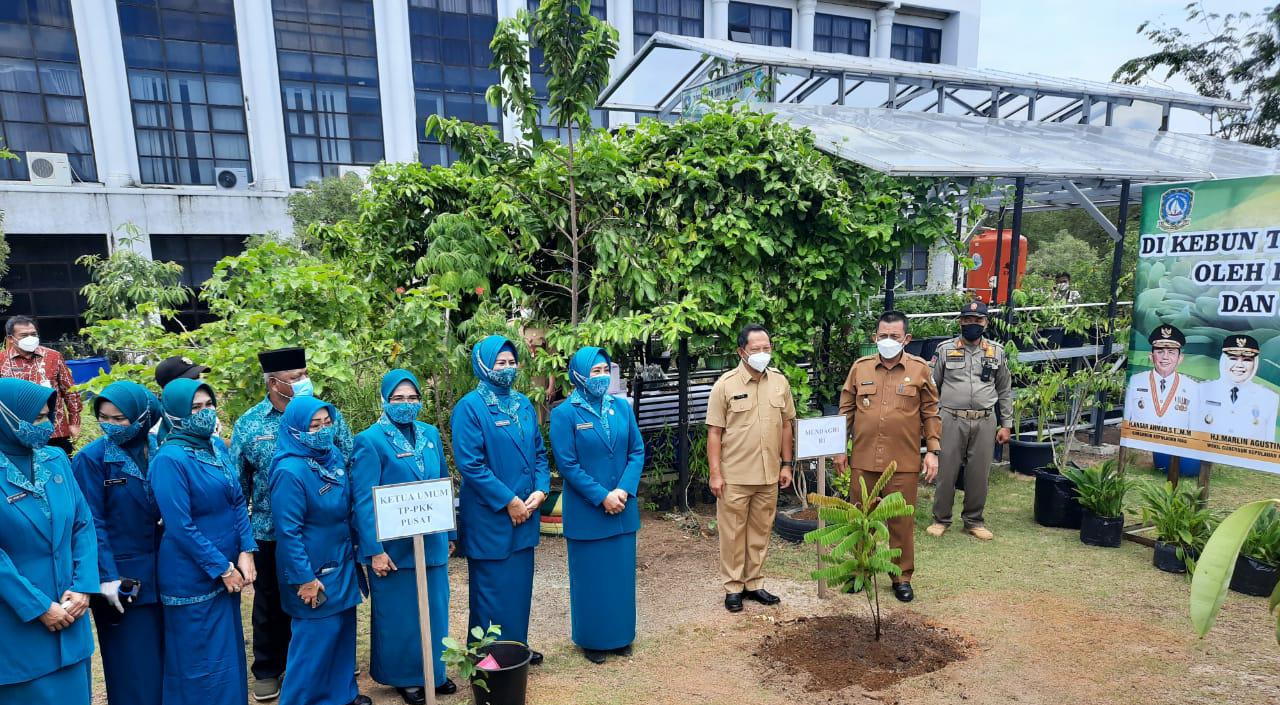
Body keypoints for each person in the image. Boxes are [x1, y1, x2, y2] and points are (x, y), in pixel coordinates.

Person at [229, 346, 354, 701]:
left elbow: (346, 456)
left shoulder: (324, 414)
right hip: (271, 529)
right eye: (295, 377)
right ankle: (269, 668)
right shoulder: (250, 423)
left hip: (326, 523)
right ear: (273, 383)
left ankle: (325, 669)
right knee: (270, 603)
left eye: (304, 374)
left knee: (324, 606)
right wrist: (243, 541)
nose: (303, 382)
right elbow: (239, 485)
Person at [351, 369, 457, 705]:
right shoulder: (370, 440)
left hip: (431, 539)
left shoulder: (429, 434)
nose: (406, 404)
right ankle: (406, 676)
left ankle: (433, 672)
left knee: (436, 609)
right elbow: (364, 499)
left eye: (413, 398)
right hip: (393, 549)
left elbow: (442, 481)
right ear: (384, 400)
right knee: (400, 615)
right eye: (398, 398)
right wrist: (374, 550)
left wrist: (451, 531)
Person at [152, 378, 256, 705]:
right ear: (174, 413)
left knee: (226, 656)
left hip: (228, 567)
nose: (205, 413)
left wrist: (246, 550)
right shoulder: (169, 459)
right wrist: (222, 568)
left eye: (209, 405)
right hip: (192, 577)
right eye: (195, 407)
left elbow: (237, 500)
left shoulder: (217, 447)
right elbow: (180, 526)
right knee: (200, 663)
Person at [452, 335, 550, 664]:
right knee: (491, 591)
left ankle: (516, 648)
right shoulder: (469, 408)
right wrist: (509, 500)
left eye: (511, 362)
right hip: (491, 516)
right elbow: (471, 465)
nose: (507, 369)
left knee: (519, 588)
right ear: (482, 365)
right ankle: (486, 657)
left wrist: (540, 489)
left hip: (527, 511)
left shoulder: (522, 403)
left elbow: (539, 452)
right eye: (500, 363)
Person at [0, 378, 97, 704]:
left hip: (71, 616)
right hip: (18, 627)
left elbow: (82, 524)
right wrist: (39, 606)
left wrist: (84, 585)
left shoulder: (54, 459)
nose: (46, 426)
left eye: (47, 415)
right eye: (37, 418)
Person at [269, 396, 370, 705]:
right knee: (314, 641)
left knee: (341, 632)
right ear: (296, 429)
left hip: (341, 559)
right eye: (314, 425)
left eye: (327, 423)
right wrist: (304, 579)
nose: (323, 430)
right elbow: (288, 532)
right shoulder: (289, 471)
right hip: (312, 569)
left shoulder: (333, 456)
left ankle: (342, 696)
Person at [835, 311, 941, 603]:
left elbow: (930, 412)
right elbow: (846, 411)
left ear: (907, 339)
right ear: (874, 337)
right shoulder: (860, 368)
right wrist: (838, 449)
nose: (888, 341)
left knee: (900, 521)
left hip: (903, 462)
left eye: (894, 336)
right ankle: (860, 571)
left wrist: (932, 451)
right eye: (883, 336)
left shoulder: (919, 370)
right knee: (860, 520)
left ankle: (901, 577)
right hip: (864, 460)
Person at [549, 347, 645, 663]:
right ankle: (592, 639)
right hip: (589, 510)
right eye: (595, 371)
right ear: (578, 375)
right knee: (590, 579)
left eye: (605, 370)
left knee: (619, 577)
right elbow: (568, 464)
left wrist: (623, 490)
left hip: (622, 506)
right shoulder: (564, 414)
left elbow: (636, 451)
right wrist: (602, 496)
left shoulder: (621, 407)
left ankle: (620, 636)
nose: (601, 377)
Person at [71, 381, 165, 705]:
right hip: (123, 583)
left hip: (166, 573)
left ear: (142, 416)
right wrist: (106, 576)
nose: (111, 426)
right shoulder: (91, 459)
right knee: (133, 669)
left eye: (120, 419)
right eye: (104, 418)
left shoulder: (160, 448)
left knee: (168, 663)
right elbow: (90, 523)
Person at [706, 324, 796, 614]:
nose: (761, 353)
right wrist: (715, 473)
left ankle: (753, 582)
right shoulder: (726, 385)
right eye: (755, 349)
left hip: (769, 474)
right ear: (741, 351)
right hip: (734, 476)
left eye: (766, 348)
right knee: (732, 533)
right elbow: (714, 433)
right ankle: (733, 587)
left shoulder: (780, 382)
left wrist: (787, 464)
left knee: (760, 531)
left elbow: (786, 425)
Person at [927, 301, 1012, 541]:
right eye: (967, 320)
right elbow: (932, 389)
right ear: (960, 322)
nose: (971, 324)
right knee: (947, 470)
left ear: (985, 323)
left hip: (985, 420)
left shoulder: (996, 351)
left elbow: (1004, 389)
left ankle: (974, 520)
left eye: (977, 320)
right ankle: (941, 519)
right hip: (951, 418)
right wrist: (932, 423)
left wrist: (1006, 424)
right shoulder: (945, 350)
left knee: (979, 473)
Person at [1, 316, 82, 456]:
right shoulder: (2, 361)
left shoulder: (53, 357)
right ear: (10, 339)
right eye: (24, 335)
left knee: (61, 468)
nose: (30, 338)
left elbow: (70, 391)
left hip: (56, 431)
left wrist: (74, 422)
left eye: (33, 334)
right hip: (17, 432)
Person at [1195, 335, 1279, 442]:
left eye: (1247, 360)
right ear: (1223, 361)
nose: (1239, 365)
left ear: (1255, 364)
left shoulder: (1270, 398)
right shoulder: (1201, 390)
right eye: (1233, 358)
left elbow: (1269, 441)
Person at [1124, 324, 1197, 431]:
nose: (1165, 357)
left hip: (1175, 446)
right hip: (1143, 443)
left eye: (1171, 352)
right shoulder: (1136, 381)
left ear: (1180, 358)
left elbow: (1194, 428)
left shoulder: (1192, 386)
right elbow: (1127, 419)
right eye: (1160, 352)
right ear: (1151, 356)